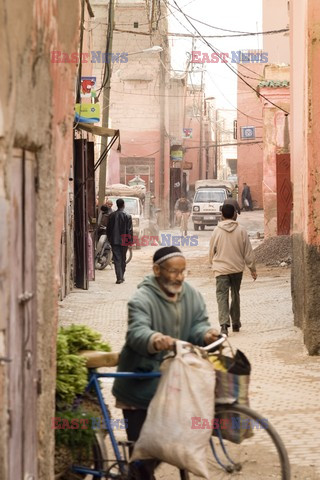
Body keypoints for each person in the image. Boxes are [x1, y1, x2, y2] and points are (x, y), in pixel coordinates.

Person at [112, 246, 219, 479]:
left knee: (170, 441)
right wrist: (155, 339)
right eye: (174, 272)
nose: (179, 277)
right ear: (157, 270)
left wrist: (206, 334)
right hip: (140, 386)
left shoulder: (191, 294)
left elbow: (197, 324)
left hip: (172, 384)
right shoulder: (142, 298)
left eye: (183, 272)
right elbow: (136, 332)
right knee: (144, 458)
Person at [208, 204, 257, 336]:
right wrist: (252, 268)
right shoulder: (241, 230)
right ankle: (235, 322)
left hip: (221, 270)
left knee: (222, 296)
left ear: (222, 215)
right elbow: (248, 251)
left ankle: (224, 325)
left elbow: (212, 251)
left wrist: (212, 264)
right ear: (234, 215)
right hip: (236, 269)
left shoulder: (216, 231)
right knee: (235, 294)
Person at [107, 198, 133, 284]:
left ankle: (119, 277)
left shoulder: (111, 216)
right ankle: (121, 275)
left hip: (114, 241)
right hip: (124, 240)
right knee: (123, 258)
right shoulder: (127, 216)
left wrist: (109, 239)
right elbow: (129, 230)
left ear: (116, 205)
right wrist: (130, 242)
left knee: (117, 259)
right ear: (123, 205)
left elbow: (108, 229)